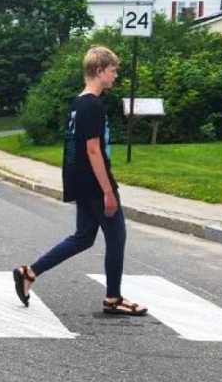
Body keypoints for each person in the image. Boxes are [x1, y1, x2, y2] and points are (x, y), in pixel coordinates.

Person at [12, 46, 148, 316]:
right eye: (113, 70)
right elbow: (93, 149)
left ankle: (29, 272)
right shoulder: (93, 105)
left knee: (84, 237)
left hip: (80, 180)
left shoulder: (77, 103)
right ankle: (113, 298)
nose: (116, 75)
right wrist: (108, 191)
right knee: (117, 236)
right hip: (96, 183)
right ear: (99, 70)